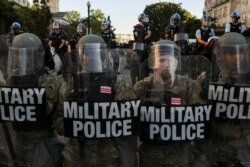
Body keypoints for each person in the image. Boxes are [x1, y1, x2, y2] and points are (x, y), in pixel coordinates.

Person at [53, 34, 139, 167]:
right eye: (86, 53)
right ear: (80, 57)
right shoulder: (70, 86)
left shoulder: (116, 84)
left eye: (94, 53)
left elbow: (129, 120)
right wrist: (75, 124)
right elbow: (58, 119)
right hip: (76, 155)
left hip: (108, 154)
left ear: (102, 55)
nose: (89, 57)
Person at [134, 40, 209, 167]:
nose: (167, 64)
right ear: (154, 62)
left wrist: (193, 153)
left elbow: (200, 122)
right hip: (150, 157)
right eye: (162, 60)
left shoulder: (189, 86)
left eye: (171, 60)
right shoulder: (142, 87)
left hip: (180, 157)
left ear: (176, 62)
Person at [4, 33, 61, 166]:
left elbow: (42, 109)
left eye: (25, 54)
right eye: (17, 54)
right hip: (18, 138)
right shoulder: (14, 76)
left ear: (36, 56)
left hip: (40, 141)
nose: (20, 58)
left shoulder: (47, 78)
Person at [207, 32, 250, 166]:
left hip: (244, 150)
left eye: (240, 52)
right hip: (215, 149)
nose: (237, 56)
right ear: (220, 55)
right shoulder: (207, 80)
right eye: (231, 52)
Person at [133, 13, 152, 80]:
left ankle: (145, 77)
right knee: (138, 63)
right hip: (138, 47)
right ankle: (139, 78)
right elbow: (136, 36)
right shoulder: (136, 27)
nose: (147, 19)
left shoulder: (148, 26)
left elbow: (149, 35)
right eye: (145, 18)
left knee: (146, 62)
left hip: (145, 46)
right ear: (141, 19)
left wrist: (142, 39)